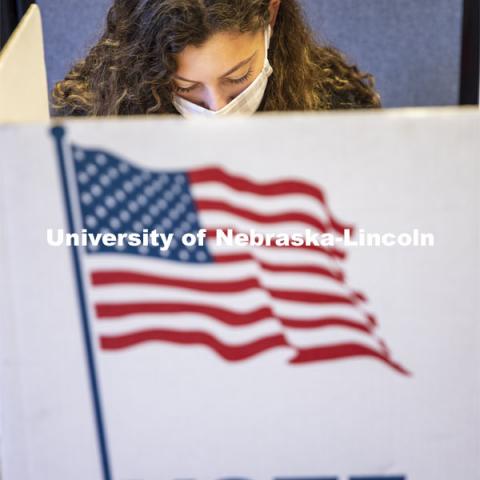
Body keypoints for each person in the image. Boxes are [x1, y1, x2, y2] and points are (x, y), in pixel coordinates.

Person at [51, 0, 381, 117]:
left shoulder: (338, 105)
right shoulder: (90, 118)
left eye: (237, 78)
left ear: (271, 14)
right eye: (186, 87)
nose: (218, 108)